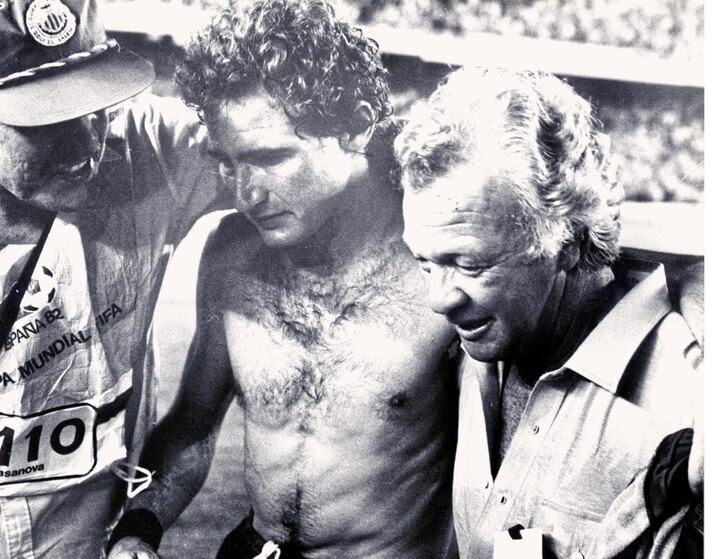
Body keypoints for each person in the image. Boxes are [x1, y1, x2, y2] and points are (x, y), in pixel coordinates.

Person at [106, 0, 460, 557]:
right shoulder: (231, 254)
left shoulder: (440, 264)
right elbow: (194, 427)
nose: (244, 193)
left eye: (269, 157)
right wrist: (137, 531)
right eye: (226, 161)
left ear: (355, 127)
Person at [0, 0, 226, 556]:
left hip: (95, 534)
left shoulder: (148, 149)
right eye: (46, 120)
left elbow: (319, 147)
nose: (88, 144)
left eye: (95, 104)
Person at [395, 67, 703, 558]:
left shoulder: (692, 392)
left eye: (470, 264)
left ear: (570, 244)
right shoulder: (467, 350)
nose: (438, 299)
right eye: (425, 262)